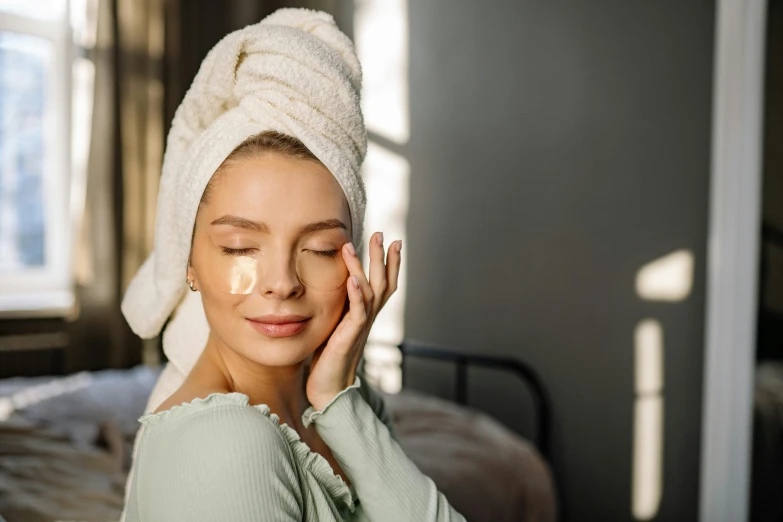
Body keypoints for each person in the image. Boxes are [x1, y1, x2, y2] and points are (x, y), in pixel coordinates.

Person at [119, 8, 466, 522]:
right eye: (239, 247)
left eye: (322, 249)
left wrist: (339, 399)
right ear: (190, 261)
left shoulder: (348, 397)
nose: (281, 283)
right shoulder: (223, 444)